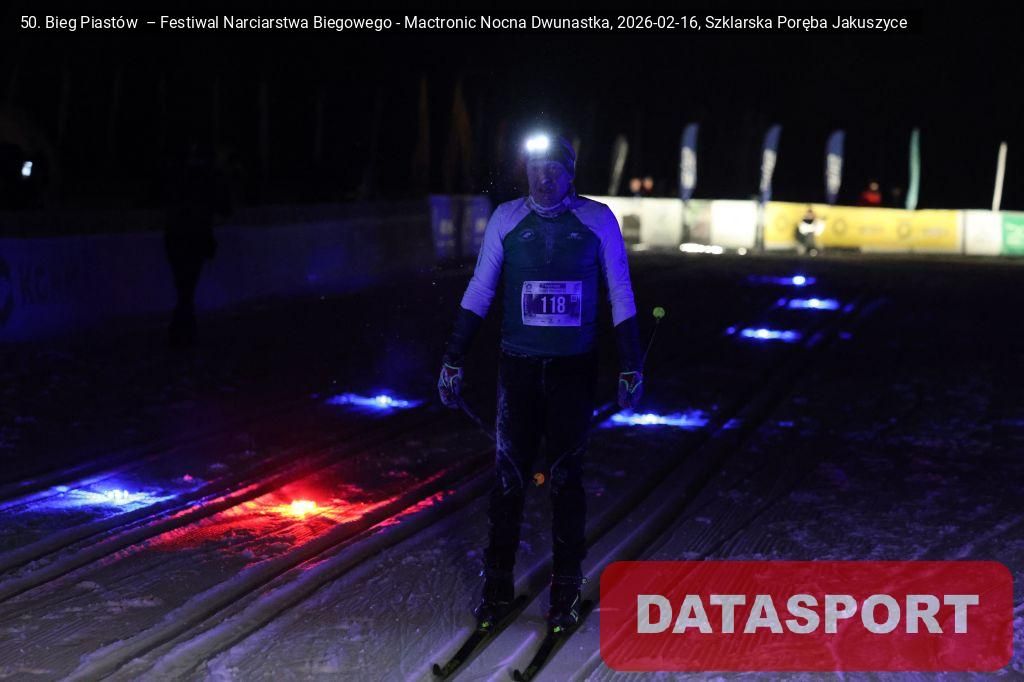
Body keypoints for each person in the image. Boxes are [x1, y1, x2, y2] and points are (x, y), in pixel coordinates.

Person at [437, 133, 644, 632]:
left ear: (571, 174)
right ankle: (496, 588)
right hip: (519, 369)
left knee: (566, 480)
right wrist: (453, 358)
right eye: (535, 169)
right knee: (509, 479)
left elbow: (619, 291)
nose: (544, 179)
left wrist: (631, 364)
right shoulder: (506, 218)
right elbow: (481, 289)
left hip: (574, 370)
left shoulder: (597, 219)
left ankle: (566, 590)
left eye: (554, 170)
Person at [162, 139, 229, 348]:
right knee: (187, 286)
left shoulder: (178, 175)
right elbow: (224, 208)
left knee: (184, 286)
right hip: (194, 236)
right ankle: (183, 333)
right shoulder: (208, 177)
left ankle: (181, 332)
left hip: (177, 235)